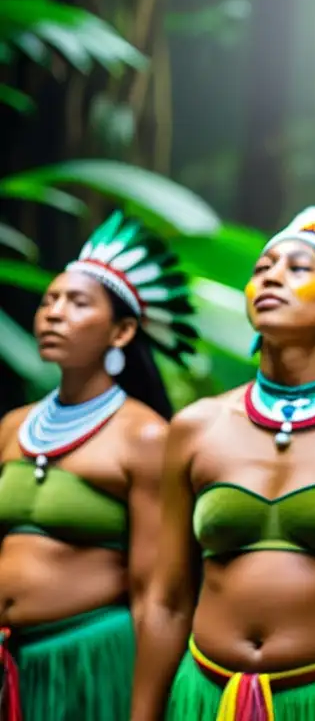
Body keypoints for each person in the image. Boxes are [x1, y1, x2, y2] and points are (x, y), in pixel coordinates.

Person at [130, 196, 315, 721]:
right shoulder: (197, 427)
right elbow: (167, 600)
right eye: (263, 268)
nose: (272, 278)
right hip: (205, 694)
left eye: (297, 269)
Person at [0, 210, 198, 721]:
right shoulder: (12, 427)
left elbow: (157, 594)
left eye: (77, 302)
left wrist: (145, 711)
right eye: (49, 300)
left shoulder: (146, 436)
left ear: (122, 331)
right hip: (8, 661)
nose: (53, 313)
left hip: (91, 661)